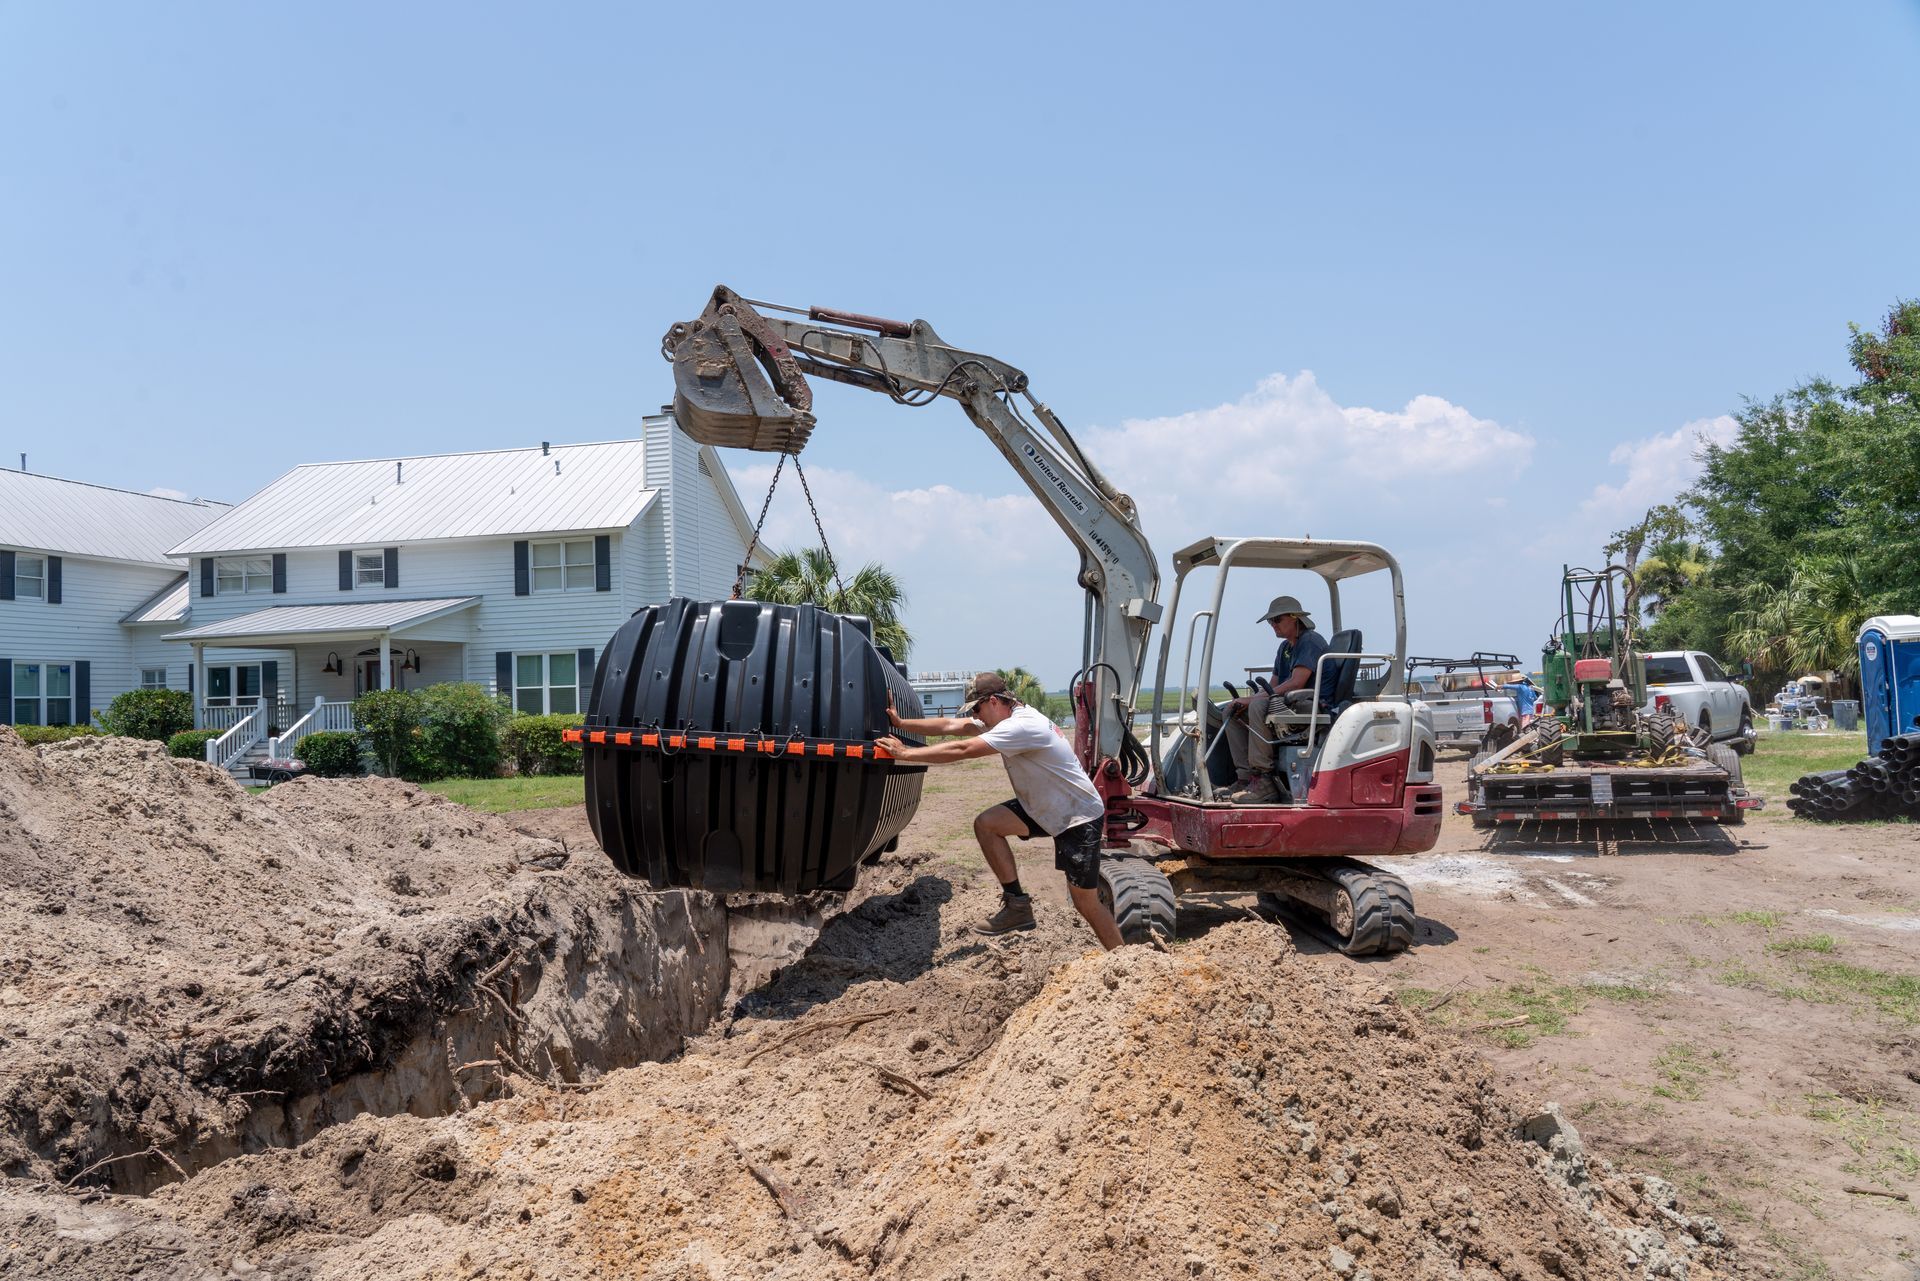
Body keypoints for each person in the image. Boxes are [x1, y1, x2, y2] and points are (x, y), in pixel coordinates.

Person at [876, 672, 1126, 949]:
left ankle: (1124, 961)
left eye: (977, 709)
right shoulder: (1006, 717)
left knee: (1086, 903)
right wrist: (901, 724)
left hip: (1077, 815)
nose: (976, 716)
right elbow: (951, 725)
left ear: (993, 701)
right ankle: (1017, 905)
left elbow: (963, 748)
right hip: (1044, 807)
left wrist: (906, 754)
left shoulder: (1022, 726)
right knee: (987, 824)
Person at [1220, 596, 1330, 804]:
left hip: (1310, 703)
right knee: (1231, 711)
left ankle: (1264, 781)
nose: (1272, 625)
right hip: (1291, 702)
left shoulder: (1310, 642)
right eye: (1270, 621)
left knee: (1259, 705)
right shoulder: (1285, 648)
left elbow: (1297, 683)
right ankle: (1246, 778)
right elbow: (1273, 684)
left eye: (1276, 619)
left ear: (1294, 617)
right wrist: (1248, 700)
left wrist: (1254, 699)